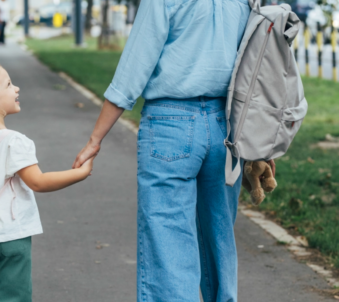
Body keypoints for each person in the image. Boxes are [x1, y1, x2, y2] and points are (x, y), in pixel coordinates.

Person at [72, 0, 273, 301]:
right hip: (226, 126)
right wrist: (262, 140)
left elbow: (132, 71)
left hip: (170, 124)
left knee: (168, 237)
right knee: (219, 235)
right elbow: (254, 66)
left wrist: (95, 140)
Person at [0, 58, 94, 301]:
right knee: (13, 297)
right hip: (11, 238)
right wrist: (81, 173)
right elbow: (38, 182)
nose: (17, 88)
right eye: (9, 84)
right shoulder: (14, 140)